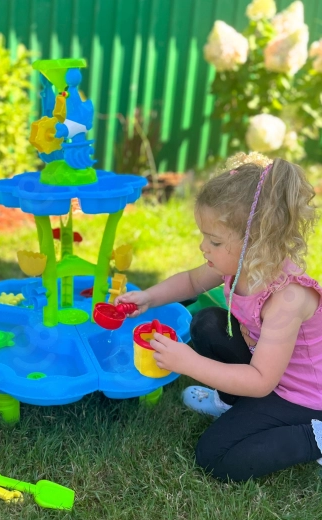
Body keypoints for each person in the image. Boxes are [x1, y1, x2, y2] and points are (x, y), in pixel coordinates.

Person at [117, 153, 322, 482]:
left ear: (256, 242)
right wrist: (149, 297)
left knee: (215, 456)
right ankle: (231, 401)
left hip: (303, 396)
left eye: (214, 240)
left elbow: (261, 381)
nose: (203, 247)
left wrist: (190, 364)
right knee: (207, 323)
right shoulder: (239, 265)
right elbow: (191, 281)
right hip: (267, 370)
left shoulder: (288, 298)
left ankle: (314, 436)